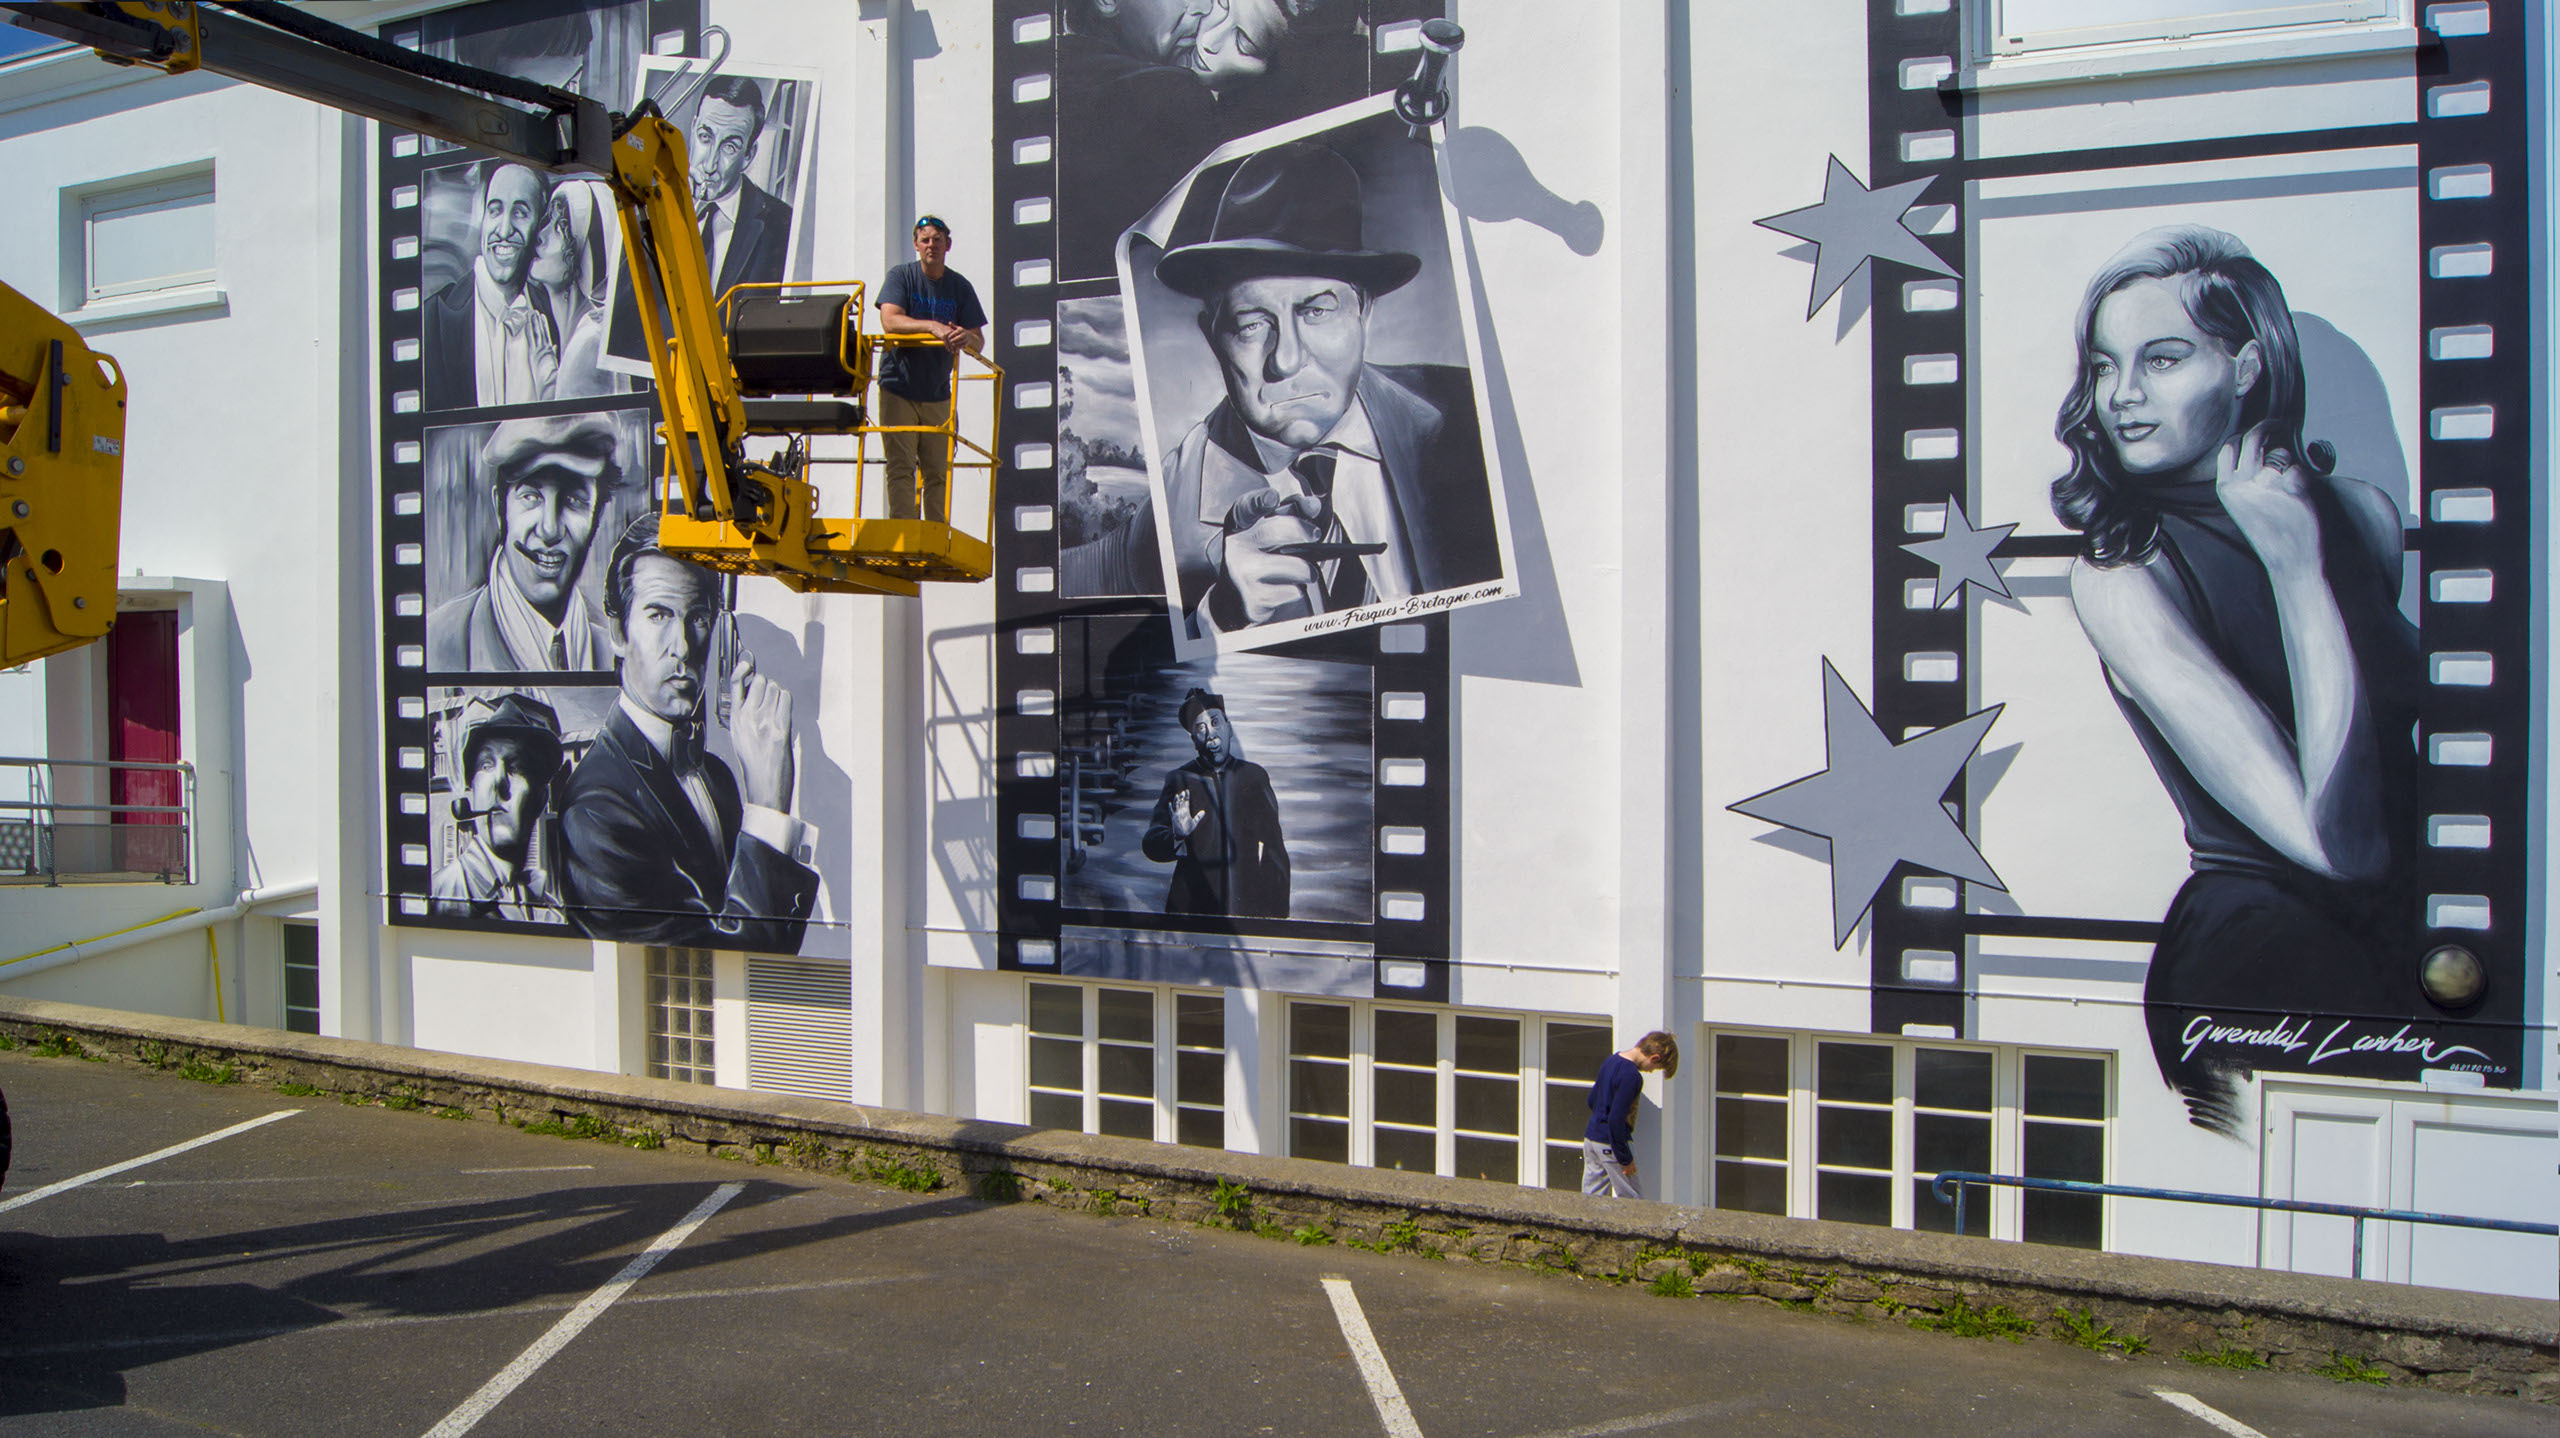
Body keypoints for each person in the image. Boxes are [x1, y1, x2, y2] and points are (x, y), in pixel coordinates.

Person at [2053, 225, 2422, 1136]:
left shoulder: (2365, 516)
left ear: (2248, 365)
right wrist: (2297, 572)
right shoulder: (2123, 575)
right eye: (2104, 367)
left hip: (2408, 947)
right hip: (2257, 961)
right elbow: (2338, 843)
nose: (2122, 396)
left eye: (2163, 359)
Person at [1153, 142, 1500, 638]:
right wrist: (1220, 618)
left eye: (1316, 311)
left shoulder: (1471, 416)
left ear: (1364, 312)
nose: (1287, 359)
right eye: (1252, 324)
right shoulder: (1168, 503)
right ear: (1213, 338)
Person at [555, 515, 819, 951]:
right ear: (619, 632)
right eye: (658, 615)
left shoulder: (715, 776)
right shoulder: (597, 808)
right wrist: (768, 807)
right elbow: (729, 964)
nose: (681, 644)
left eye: (697, 618)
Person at [428, 415, 625, 673]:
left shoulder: (615, 653)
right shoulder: (437, 644)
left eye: (573, 500)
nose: (550, 529)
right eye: (531, 496)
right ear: (501, 508)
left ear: (596, 518)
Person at [875, 215, 987, 523]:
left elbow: (979, 341)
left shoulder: (959, 286)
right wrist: (932, 327)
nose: (931, 246)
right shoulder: (901, 276)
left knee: (938, 470)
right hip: (899, 386)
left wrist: (966, 337)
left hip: (938, 392)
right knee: (901, 465)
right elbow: (890, 321)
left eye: (937, 240)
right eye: (925, 240)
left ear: (948, 245)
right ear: (916, 244)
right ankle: (905, 530)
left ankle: (935, 534)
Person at [1140, 687, 1289, 918]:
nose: (1211, 734)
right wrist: (1177, 836)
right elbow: (1151, 843)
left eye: (1216, 723)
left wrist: (1276, 916)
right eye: (1201, 729)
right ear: (1193, 740)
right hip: (1191, 912)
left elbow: (1275, 852)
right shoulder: (1179, 779)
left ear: (1229, 727)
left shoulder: (1254, 777)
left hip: (1246, 909)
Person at [423, 161, 558, 409]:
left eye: (520, 213)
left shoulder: (555, 319)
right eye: (495, 210)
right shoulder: (433, 318)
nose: (504, 230)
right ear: (483, 218)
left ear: (539, 225)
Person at [430, 693, 566, 923]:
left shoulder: (545, 905)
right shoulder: (447, 892)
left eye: (516, 767)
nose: (499, 782)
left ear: (540, 800)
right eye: (486, 765)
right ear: (471, 792)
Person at [691, 74, 793, 298]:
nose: (709, 165)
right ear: (692, 129)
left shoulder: (781, 224)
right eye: (704, 137)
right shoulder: (653, 209)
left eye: (729, 147)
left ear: (748, 155)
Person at [528, 180, 624, 400]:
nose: (540, 236)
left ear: (586, 249)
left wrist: (546, 387)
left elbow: (571, 432)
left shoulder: (589, 341)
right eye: (547, 222)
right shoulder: (586, 336)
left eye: (559, 229)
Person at [1583, 1032, 1677, 1200]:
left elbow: (1591, 1100)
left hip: (1591, 1139)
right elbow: (1616, 1120)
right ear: (1654, 1058)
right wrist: (1625, 1159)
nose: (1650, 1071)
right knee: (1632, 1199)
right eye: (1655, 1068)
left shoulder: (1610, 1061)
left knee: (1592, 1197)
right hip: (1610, 1143)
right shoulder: (1632, 1076)